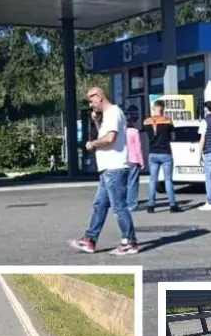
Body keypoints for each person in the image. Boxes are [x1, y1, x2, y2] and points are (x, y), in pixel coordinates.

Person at [69, 87, 139, 255]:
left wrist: (92, 144)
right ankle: (90, 240)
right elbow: (105, 132)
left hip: (114, 167)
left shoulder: (114, 112)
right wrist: (96, 121)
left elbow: (110, 138)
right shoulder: (107, 116)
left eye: (91, 100)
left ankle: (129, 241)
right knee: (100, 204)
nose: (90, 104)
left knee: (119, 207)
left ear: (99, 97)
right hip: (108, 169)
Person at [142, 100, 181, 213]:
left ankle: (151, 205)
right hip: (165, 153)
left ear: (153, 108)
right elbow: (173, 137)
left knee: (153, 180)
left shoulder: (146, 122)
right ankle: (172, 205)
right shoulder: (168, 121)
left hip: (152, 152)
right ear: (163, 109)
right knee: (168, 180)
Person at [125, 116, 144, 211]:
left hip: (123, 160)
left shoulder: (120, 132)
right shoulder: (134, 132)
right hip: (133, 159)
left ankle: (124, 202)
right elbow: (138, 148)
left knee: (123, 182)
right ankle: (132, 204)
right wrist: (142, 162)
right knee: (133, 183)